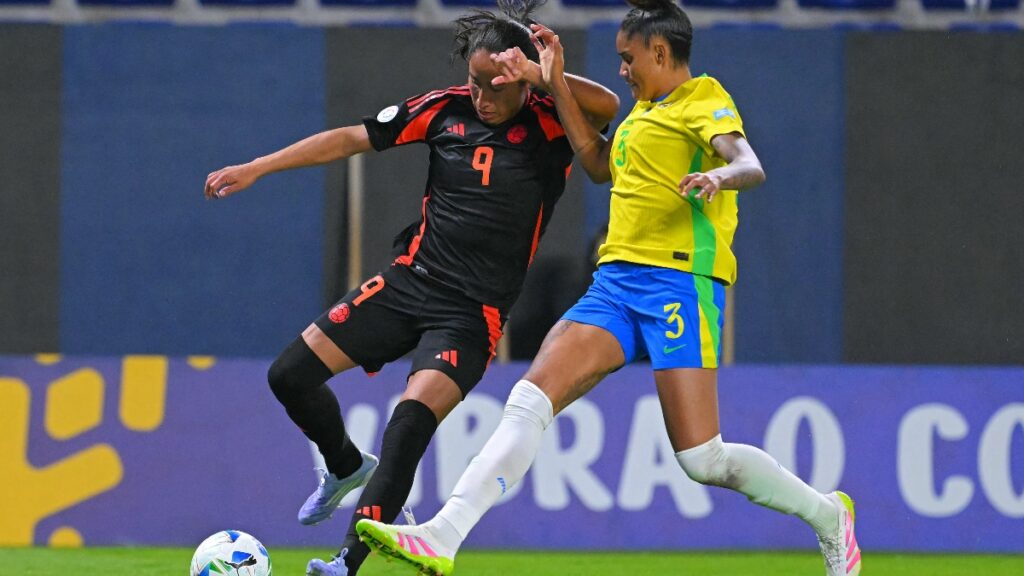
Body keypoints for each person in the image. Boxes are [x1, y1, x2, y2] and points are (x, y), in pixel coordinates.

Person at [355, 2, 861, 576]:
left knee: (702, 457)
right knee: (528, 400)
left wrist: (719, 175)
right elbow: (597, 164)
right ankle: (444, 535)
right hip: (616, 282)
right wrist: (551, 76)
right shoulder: (644, 115)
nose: (622, 69)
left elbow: (749, 163)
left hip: (680, 284)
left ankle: (827, 516)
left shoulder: (703, 99)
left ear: (661, 52)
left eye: (628, 58)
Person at [203, 2, 619, 575]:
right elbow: (351, 137)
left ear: (520, 77)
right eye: (474, 83)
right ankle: (346, 465)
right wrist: (258, 166)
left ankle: (345, 564)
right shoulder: (443, 110)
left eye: (494, 85)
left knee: (409, 420)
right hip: (407, 282)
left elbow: (609, 107)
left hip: (472, 315)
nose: (480, 96)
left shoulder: (552, 119)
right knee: (289, 376)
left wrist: (546, 72)